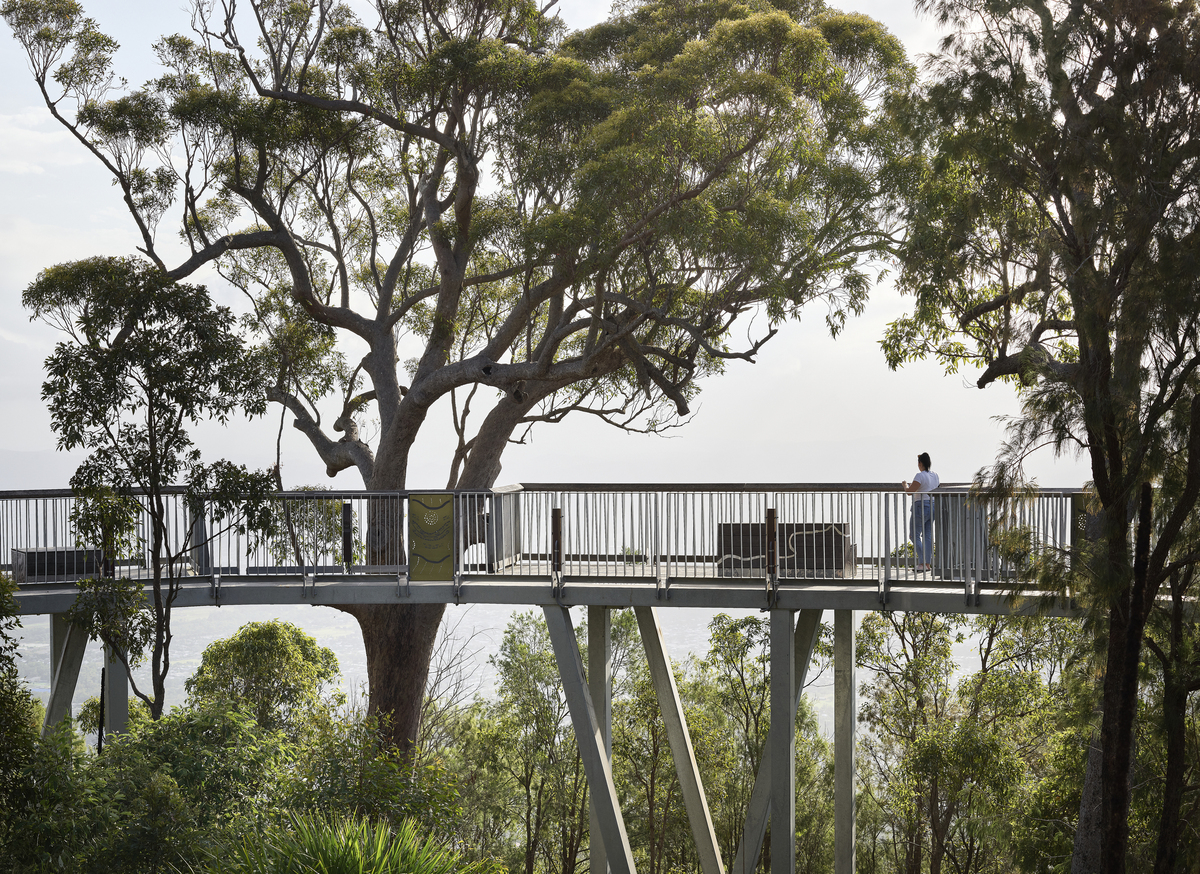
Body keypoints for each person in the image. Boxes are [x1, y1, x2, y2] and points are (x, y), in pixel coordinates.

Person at [903, 452, 940, 571]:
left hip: (920, 506)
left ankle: (922, 563)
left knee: (914, 535)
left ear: (920, 463)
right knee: (927, 535)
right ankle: (927, 564)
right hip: (933, 505)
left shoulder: (919, 476)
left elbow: (909, 492)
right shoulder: (935, 475)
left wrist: (905, 485)